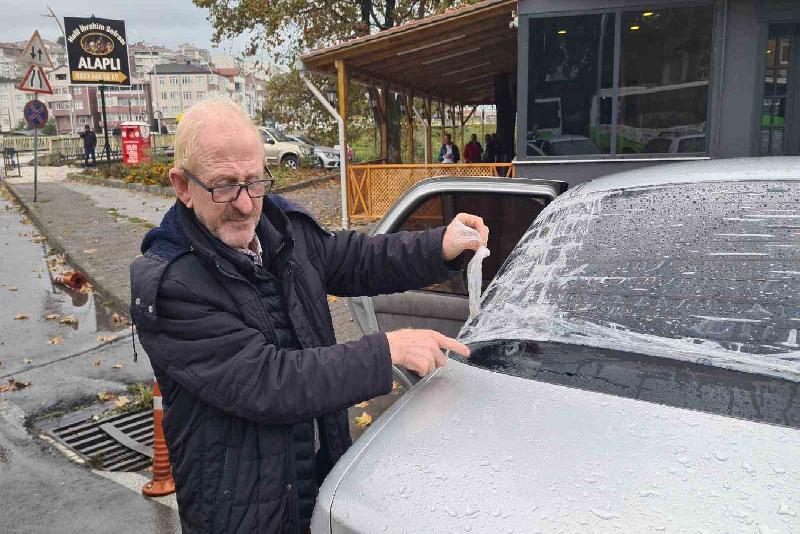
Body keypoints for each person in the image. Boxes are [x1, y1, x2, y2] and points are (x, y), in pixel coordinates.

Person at [129, 98, 489, 533]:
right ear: (182, 186)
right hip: (242, 513)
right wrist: (386, 350)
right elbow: (269, 381)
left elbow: (357, 259)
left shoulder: (283, 229)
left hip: (315, 483)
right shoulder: (172, 285)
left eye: (255, 181)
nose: (245, 205)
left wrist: (439, 246)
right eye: (224, 186)